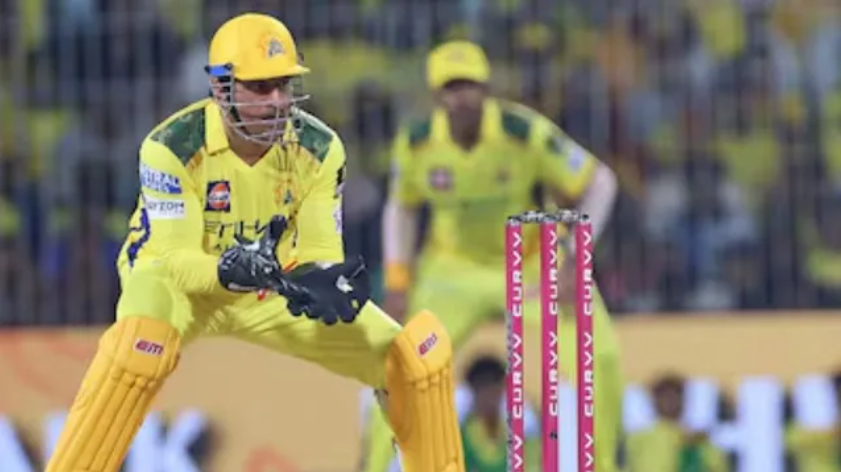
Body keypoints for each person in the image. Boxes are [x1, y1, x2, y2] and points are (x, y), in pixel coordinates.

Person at [45, 13, 464, 472]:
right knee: (139, 349)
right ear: (221, 88)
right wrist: (229, 269)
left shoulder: (319, 148)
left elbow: (319, 255)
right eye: (261, 88)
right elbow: (176, 260)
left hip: (271, 283)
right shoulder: (170, 147)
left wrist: (326, 285)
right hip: (175, 282)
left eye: (283, 85)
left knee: (414, 360)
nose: (278, 102)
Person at [363, 40, 624, 472]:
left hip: (532, 265)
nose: (462, 97)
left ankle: (604, 466)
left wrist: (575, 259)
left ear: (486, 89)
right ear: (436, 96)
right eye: (451, 88)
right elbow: (401, 208)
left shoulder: (523, 133)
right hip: (453, 270)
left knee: (601, 356)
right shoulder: (417, 143)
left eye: (469, 86)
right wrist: (397, 281)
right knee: (397, 366)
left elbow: (601, 183)